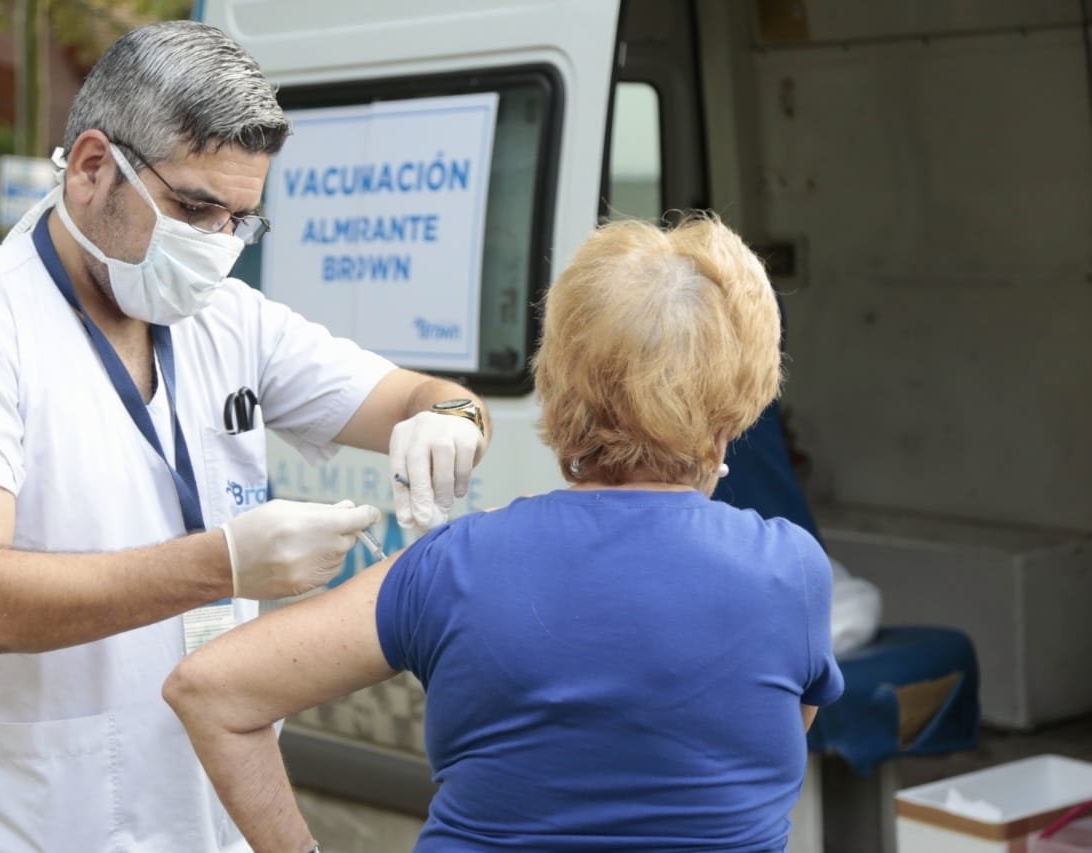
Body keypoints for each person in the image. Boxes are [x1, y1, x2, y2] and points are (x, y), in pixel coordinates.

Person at [0, 20, 490, 853]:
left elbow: (419, 393)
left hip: (210, 821)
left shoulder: (226, 319)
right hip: (43, 823)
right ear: (91, 168)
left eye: (240, 219)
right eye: (194, 207)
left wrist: (448, 420)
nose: (216, 247)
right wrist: (220, 564)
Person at [165, 215, 845, 852]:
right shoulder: (791, 572)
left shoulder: (455, 564)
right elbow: (776, 734)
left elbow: (211, 690)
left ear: (559, 387)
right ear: (727, 416)